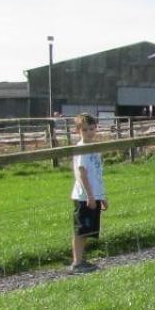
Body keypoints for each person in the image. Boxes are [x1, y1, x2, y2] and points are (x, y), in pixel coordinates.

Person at [69, 114, 107, 273]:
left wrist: (102, 196)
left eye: (92, 128)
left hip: (94, 195)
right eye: (85, 130)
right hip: (84, 196)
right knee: (81, 231)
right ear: (78, 131)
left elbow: (97, 174)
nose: (89, 132)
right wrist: (90, 196)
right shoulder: (82, 149)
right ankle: (77, 263)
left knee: (87, 230)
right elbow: (82, 174)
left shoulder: (94, 148)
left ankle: (81, 259)